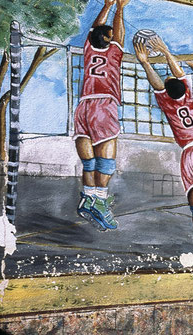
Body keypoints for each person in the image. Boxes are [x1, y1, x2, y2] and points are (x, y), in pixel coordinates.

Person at [133, 36, 193, 266]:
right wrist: (166, 51)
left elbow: (157, 84)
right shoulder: (190, 98)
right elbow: (178, 74)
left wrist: (145, 62)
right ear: (183, 89)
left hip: (188, 154)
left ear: (167, 92)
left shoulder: (167, 104)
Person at [73, 0, 129, 231]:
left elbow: (94, 29)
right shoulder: (113, 52)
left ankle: (88, 198)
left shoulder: (89, 48)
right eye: (111, 35)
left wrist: (107, 5)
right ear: (107, 39)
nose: (114, 36)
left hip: (83, 107)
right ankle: (101, 202)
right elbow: (117, 36)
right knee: (105, 163)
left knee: (89, 162)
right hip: (103, 106)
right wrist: (120, 8)